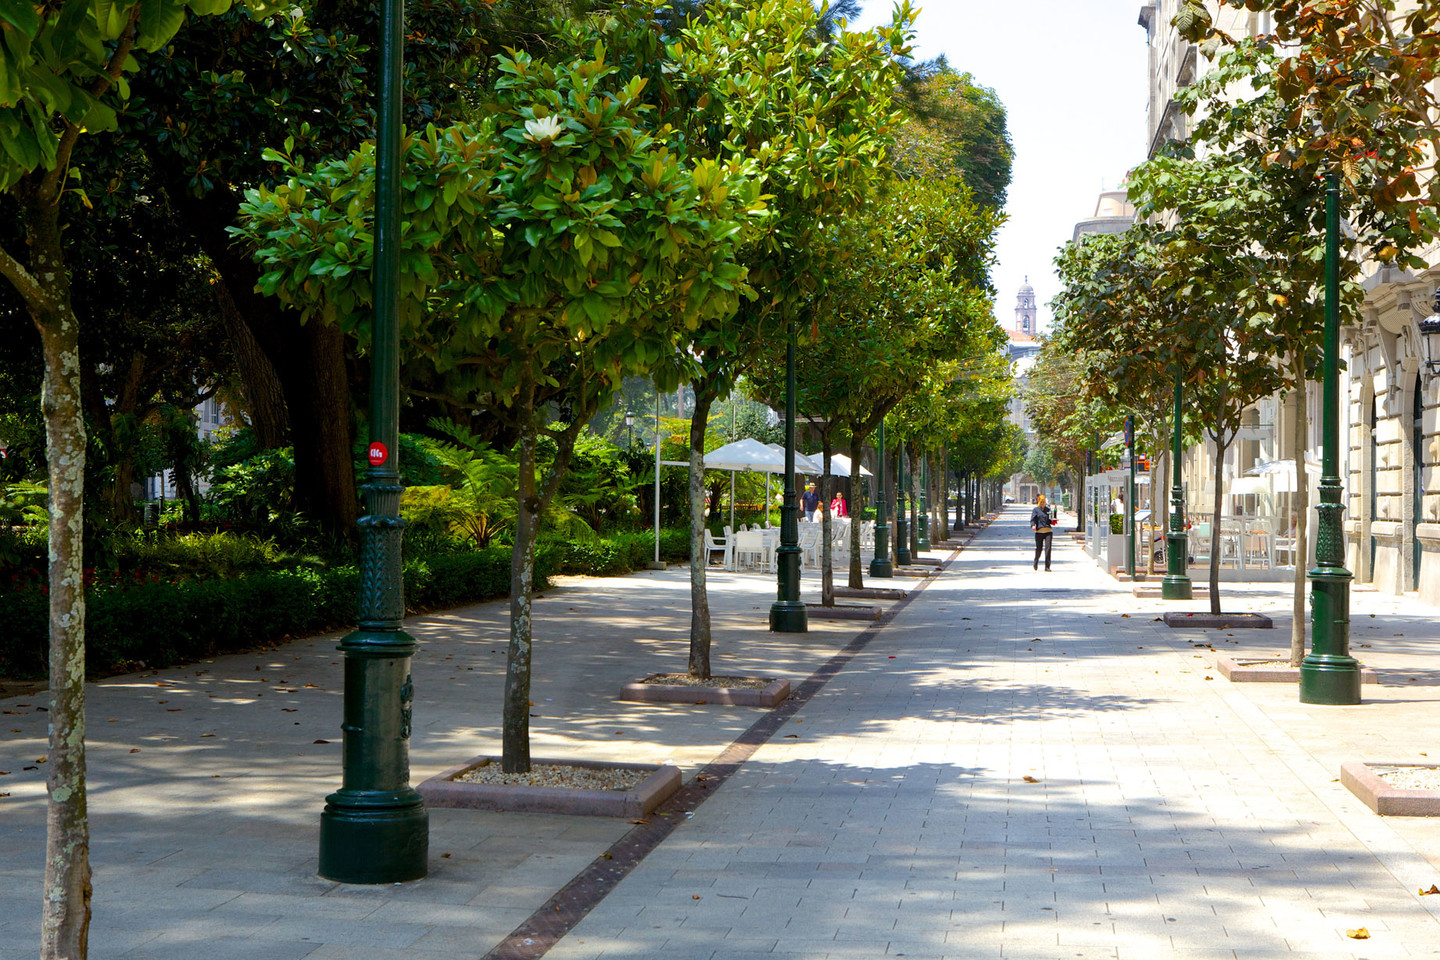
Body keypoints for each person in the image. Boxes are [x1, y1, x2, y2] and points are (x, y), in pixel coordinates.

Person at [1031, 494, 1055, 571]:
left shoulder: (1048, 510)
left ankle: (1047, 566)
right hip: (1039, 532)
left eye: (1043, 502)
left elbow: (1052, 521)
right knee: (1039, 549)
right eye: (1041, 502)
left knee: (1048, 549)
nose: (1042, 503)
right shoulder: (1036, 510)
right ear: (1039, 502)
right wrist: (1033, 526)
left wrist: (1054, 519)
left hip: (1048, 531)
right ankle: (1036, 561)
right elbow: (1033, 520)